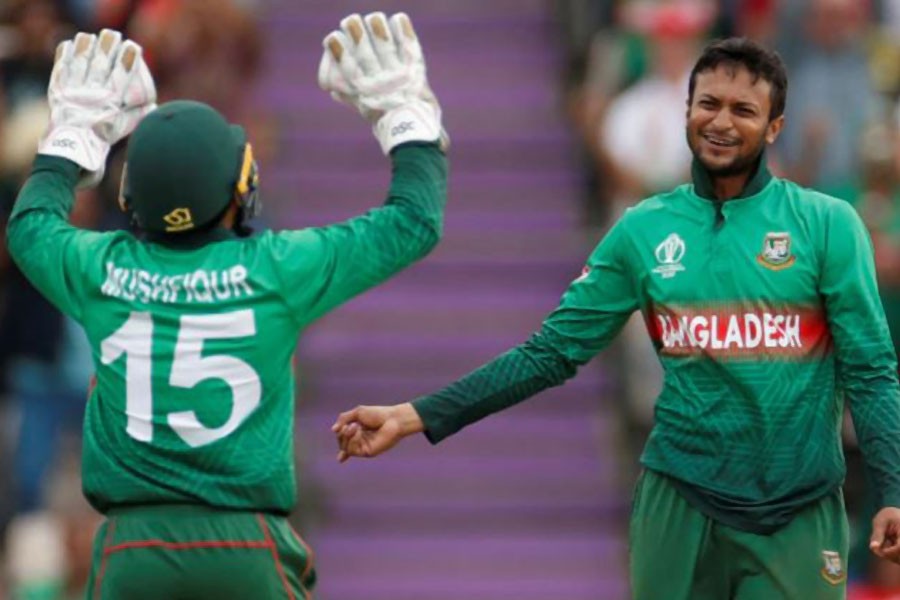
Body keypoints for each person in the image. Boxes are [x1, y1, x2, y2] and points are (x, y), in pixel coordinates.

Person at [333, 37, 900, 600]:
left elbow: (872, 371)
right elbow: (550, 353)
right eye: (708, 104)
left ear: (774, 127)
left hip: (797, 510)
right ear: (686, 110)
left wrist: (893, 490)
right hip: (679, 502)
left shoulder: (827, 225)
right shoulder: (643, 230)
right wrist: (415, 416)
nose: (721, 122)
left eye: (743, 110)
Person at [6, 11, 448, 599]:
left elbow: (29, 227)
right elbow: (414, 221)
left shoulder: (100, 269)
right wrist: (404, 116)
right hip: (247, 546)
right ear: (239, 187)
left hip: (132, 550)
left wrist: (70, 139)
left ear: (131, 194)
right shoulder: (278, 269)